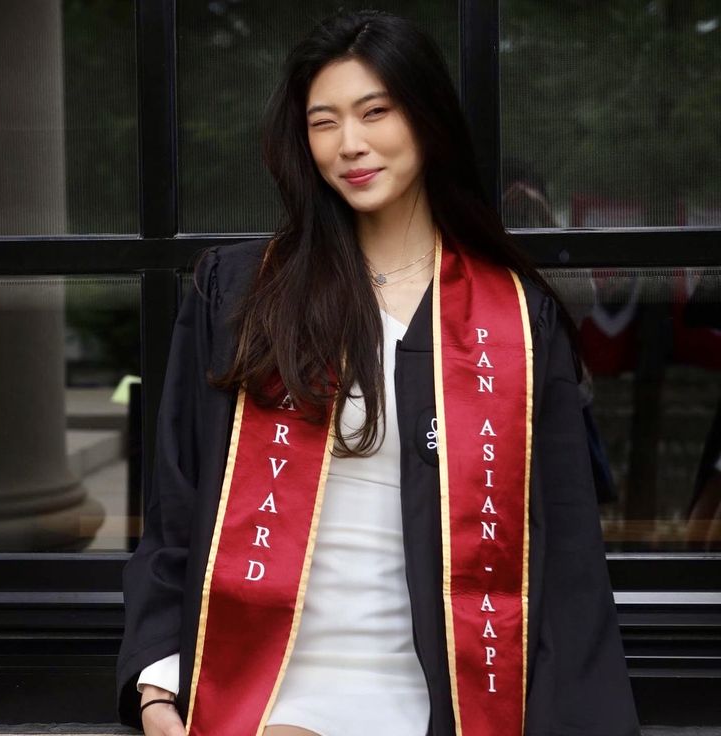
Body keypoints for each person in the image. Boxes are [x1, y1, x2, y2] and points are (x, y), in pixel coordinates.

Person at [116, 10, 640, 736]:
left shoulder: (515, 320)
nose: (350, 145)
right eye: (323, 121)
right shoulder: (239, 295)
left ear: (425, 117)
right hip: (270, 685)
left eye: (375, 111)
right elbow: (175, 509)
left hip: (450, 691)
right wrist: (155, 688)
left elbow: (570, 559)